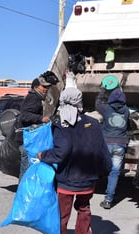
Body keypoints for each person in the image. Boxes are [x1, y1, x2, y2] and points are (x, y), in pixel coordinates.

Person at [38, 87, 112, 234]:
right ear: (79, 102)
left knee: (62, 214)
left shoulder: (62, 125)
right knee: (84, 208)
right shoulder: (94, 123)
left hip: (68, 180)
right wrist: (104, 171)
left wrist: (43, 155)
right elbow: (102, 150)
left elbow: (61, 152)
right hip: (89, 179)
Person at [14, 72, 58, 180]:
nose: (46, 89)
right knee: (27, 171)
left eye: (47, 87)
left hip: (30, 141)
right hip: (27, 141)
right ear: (35, 87)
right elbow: (24, 116)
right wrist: (41, 118)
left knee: (30, 170)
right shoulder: (33, 98)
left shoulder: (37, 98)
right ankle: (24, 193)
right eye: (43, 87)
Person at [95, 76, 130, 209]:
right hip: (120, 145)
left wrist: (103, 89)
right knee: (114, 172)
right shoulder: (126, 111)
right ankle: (108, 199)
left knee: (99, 168)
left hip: (106, 143)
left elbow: (97, 103)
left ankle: (87, 190)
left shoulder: (106, 109)